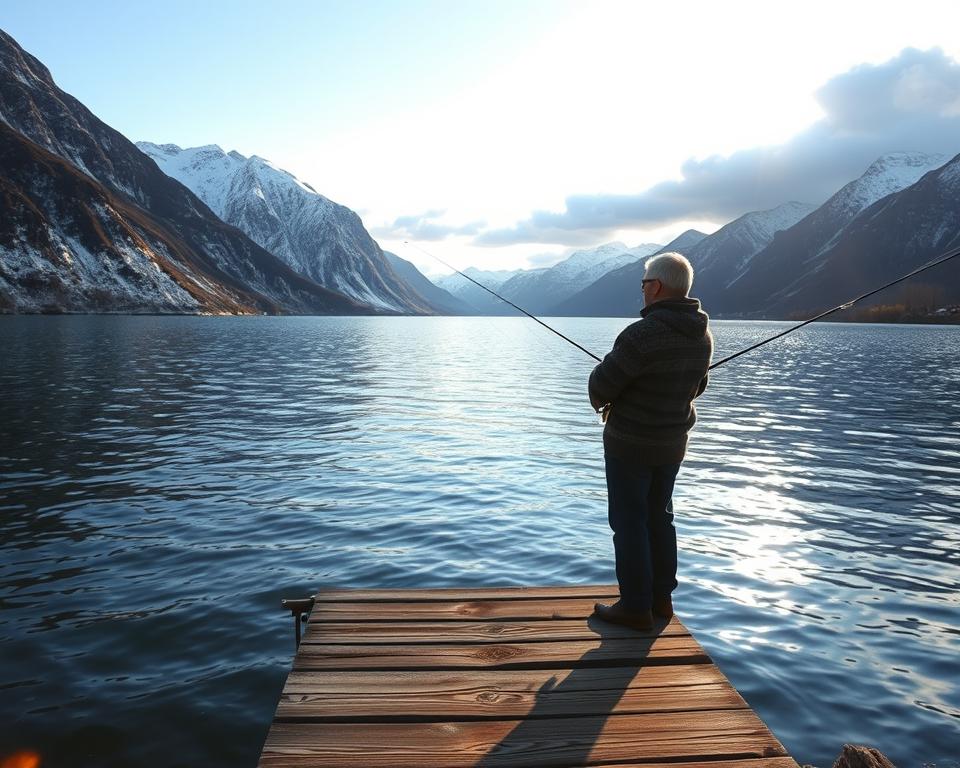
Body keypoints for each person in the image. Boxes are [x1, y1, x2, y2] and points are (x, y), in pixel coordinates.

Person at [589, 252, 713, 630]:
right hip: (672, 445)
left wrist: (600, 372)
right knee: (660, 519)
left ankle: (635, 607)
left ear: (656, 287)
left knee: (629, 523)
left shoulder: (641, 333)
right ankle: (662, 600)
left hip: (630, 445)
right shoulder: (703, 335)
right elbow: (698, 387)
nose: (642, 290)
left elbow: (600, 387)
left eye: (643, 283)